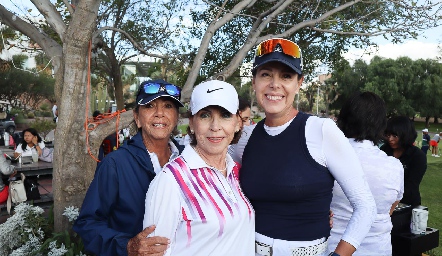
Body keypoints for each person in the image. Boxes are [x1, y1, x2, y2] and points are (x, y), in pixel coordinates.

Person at [231, 38, 376, 256]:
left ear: (299, 83)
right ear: (254, 81)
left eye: (286, 76)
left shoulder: (322, 130)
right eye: (266, 74)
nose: (274, 84)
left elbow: (365, 207)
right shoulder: (245, 137)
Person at [73, 79, 185, 256]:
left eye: (168, 106)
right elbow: (88, 223)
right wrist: (126, 246)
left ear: (177, 117)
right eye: (149, 106)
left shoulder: (188, 160)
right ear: (136, 117)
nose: (160, 113)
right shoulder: (116, 164)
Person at [142, 80, 254, 255]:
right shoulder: (170, 181)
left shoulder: (233, 171)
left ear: (238, 123)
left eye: (225, 115)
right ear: (192, 124)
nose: (215, 127)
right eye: (205, 115)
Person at [328, 91, 404, 255]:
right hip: (377, 248)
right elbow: (390, 208)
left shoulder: (327, 158)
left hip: (333, 246)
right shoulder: (394, 166)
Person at [381, 116, 427, 207]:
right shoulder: (383, 150)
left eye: (395, 136)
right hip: (384, 202)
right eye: (387, 135)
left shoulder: (417, 156)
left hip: (407, 203)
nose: (390, 139)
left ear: (405, 135)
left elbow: (411, 185)